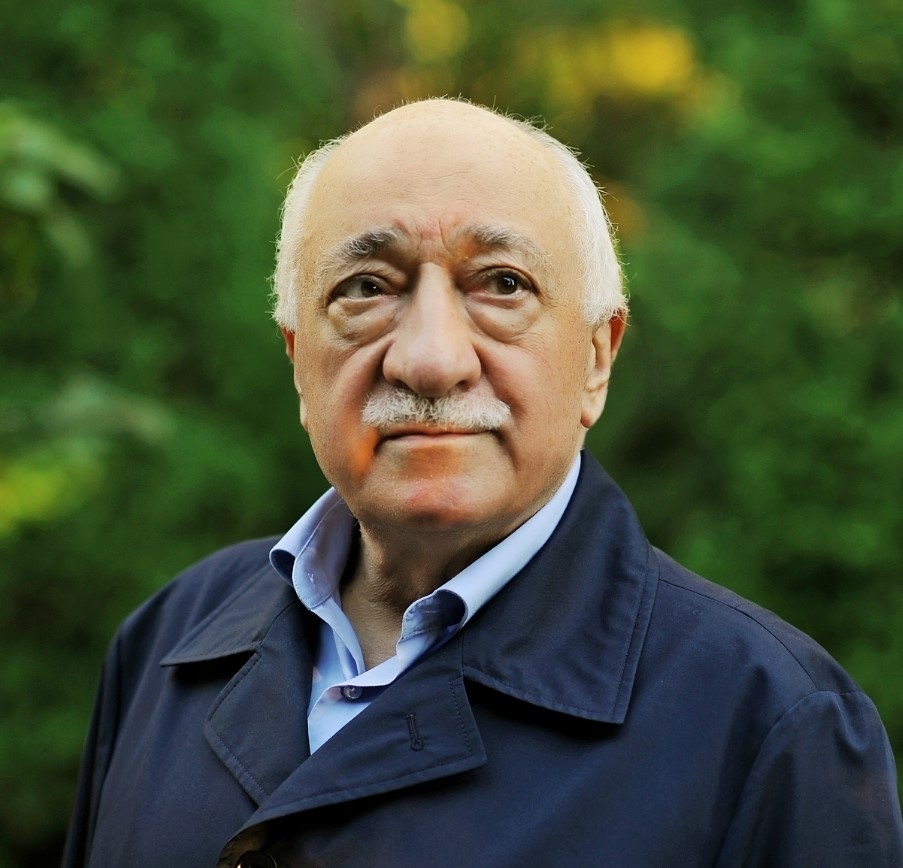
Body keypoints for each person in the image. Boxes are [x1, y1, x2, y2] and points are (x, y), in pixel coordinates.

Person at [64, 98, 902, 867]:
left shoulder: (767, 722)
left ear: (597, 359)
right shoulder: (169, 642)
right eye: (366, 288)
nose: (431, 359)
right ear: (297, 360)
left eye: (502, 284)